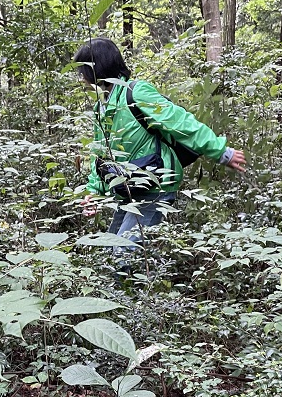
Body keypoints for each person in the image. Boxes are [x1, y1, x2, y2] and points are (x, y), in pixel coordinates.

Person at [73, 38, 246, 247]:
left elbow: (181, 124)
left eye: (82, 71)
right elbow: (100, 155)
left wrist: (221, 152)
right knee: (110, 253)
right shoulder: (101, 108)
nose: (80, 79)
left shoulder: (135, 93)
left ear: (96, 69)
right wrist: (93, 192)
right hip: (128, 189)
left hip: (155, 186)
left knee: (123, 257)